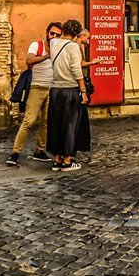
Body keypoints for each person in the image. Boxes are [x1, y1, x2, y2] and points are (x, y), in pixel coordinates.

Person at [6, 22, 63, 166]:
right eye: (52, 33)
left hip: (52, 88)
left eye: (57, 35)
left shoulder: (60, 48)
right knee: (29, 121)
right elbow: (29, 60)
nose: (54, 37)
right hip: (37, 88)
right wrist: (47, 56)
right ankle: (15, 153)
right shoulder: (37, 45)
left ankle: (39, 151)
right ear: (47, 33)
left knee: (46, 122)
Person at [46, 19, 92, 172]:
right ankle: (67, 160)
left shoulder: (53, 43)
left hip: (55, 89)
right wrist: (83, 91)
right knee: (70, 125)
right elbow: (76, 70)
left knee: (56, 124)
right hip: (70, 89)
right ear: (77, 33)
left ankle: (57, 160)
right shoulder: (73, 46)